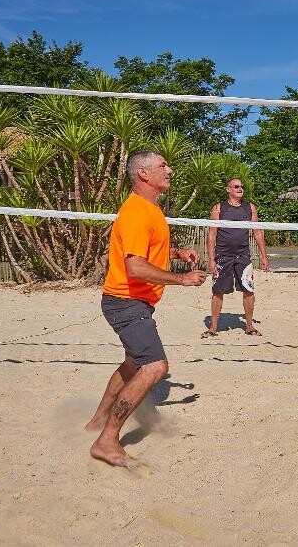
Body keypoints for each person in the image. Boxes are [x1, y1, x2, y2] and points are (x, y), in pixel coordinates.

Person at [86, 150, 207, 467]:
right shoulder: (137, 212)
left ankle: (98, 419)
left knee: (132, 364)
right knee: (154, 367)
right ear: (142, 173)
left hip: (131, 302)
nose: (170, 170)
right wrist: (181, 279)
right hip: (126, 302)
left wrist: (178, 253)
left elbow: (147, 250)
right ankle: (107, 441)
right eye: (163, 166)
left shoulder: (149, 210)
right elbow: (136, 267)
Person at [204, 178, 269, 338]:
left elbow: (257, 232)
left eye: (242, 186)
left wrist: (264, 256)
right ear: (228, 189)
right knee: (218, 291)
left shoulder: (250, 208)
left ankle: (249, 326)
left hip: (243, 256)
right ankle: (213, 328)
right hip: (222, 256)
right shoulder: (219, 208)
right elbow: (212, 235)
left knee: (248, 290)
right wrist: (211, 259)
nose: (240, 189)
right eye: (236, 186)